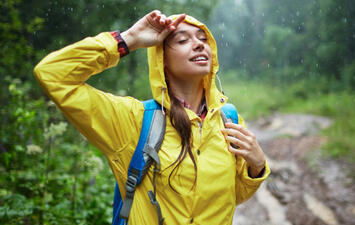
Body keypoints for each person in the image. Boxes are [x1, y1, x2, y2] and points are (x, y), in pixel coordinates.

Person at [34, 10, 270, 225]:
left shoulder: (228, 119)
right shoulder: (132, 121)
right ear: (162, 60)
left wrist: (257, 166)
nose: (199, 45)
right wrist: (127, 39)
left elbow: (230, 197)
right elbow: (53, 74)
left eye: (202, 38)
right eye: (183, 40)